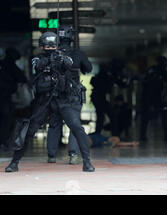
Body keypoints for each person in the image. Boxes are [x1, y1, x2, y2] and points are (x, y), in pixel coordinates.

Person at [4, 32, 94, 173]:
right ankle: (14, 163)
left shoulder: (64, 58)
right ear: (41, 46)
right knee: (29, 130)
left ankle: (87, 162)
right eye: (47, 45)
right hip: (44, 101)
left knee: (77, 127)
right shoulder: (38, 58)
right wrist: (48, 60)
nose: (50, 48)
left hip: (63, 100)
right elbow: (37, 65)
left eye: (52, 45)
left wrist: (61, 59)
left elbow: (70, 64)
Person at [46, 25, 92, 165]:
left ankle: (51, 156)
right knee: (74, 125)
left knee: (54, 124)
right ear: (71, 38)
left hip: (54, 95)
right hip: (72, 95)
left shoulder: (52, 54)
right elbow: (88, 69)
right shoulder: (77, 54)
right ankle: (73, 155)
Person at [140, 56, 167, 142]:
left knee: (163, 115)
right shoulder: (156, 71)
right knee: (148, 117)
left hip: (154, 98)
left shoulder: (159, 71)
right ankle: (143, 136)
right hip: (150, 98)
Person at [0, 47, 27, 149]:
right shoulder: (12, 66)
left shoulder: (2, 64)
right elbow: (23, 79)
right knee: (6, 120)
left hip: (5, 97)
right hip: (5, 98)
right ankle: (3, 141)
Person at [90, 64, 114, 134]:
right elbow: (108, 89)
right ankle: (99, 133)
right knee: (102, 116)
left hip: (98, 99)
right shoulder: (104, 77)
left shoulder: (100, 77)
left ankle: (98, 132)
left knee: (101, 116)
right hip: (99, 99)